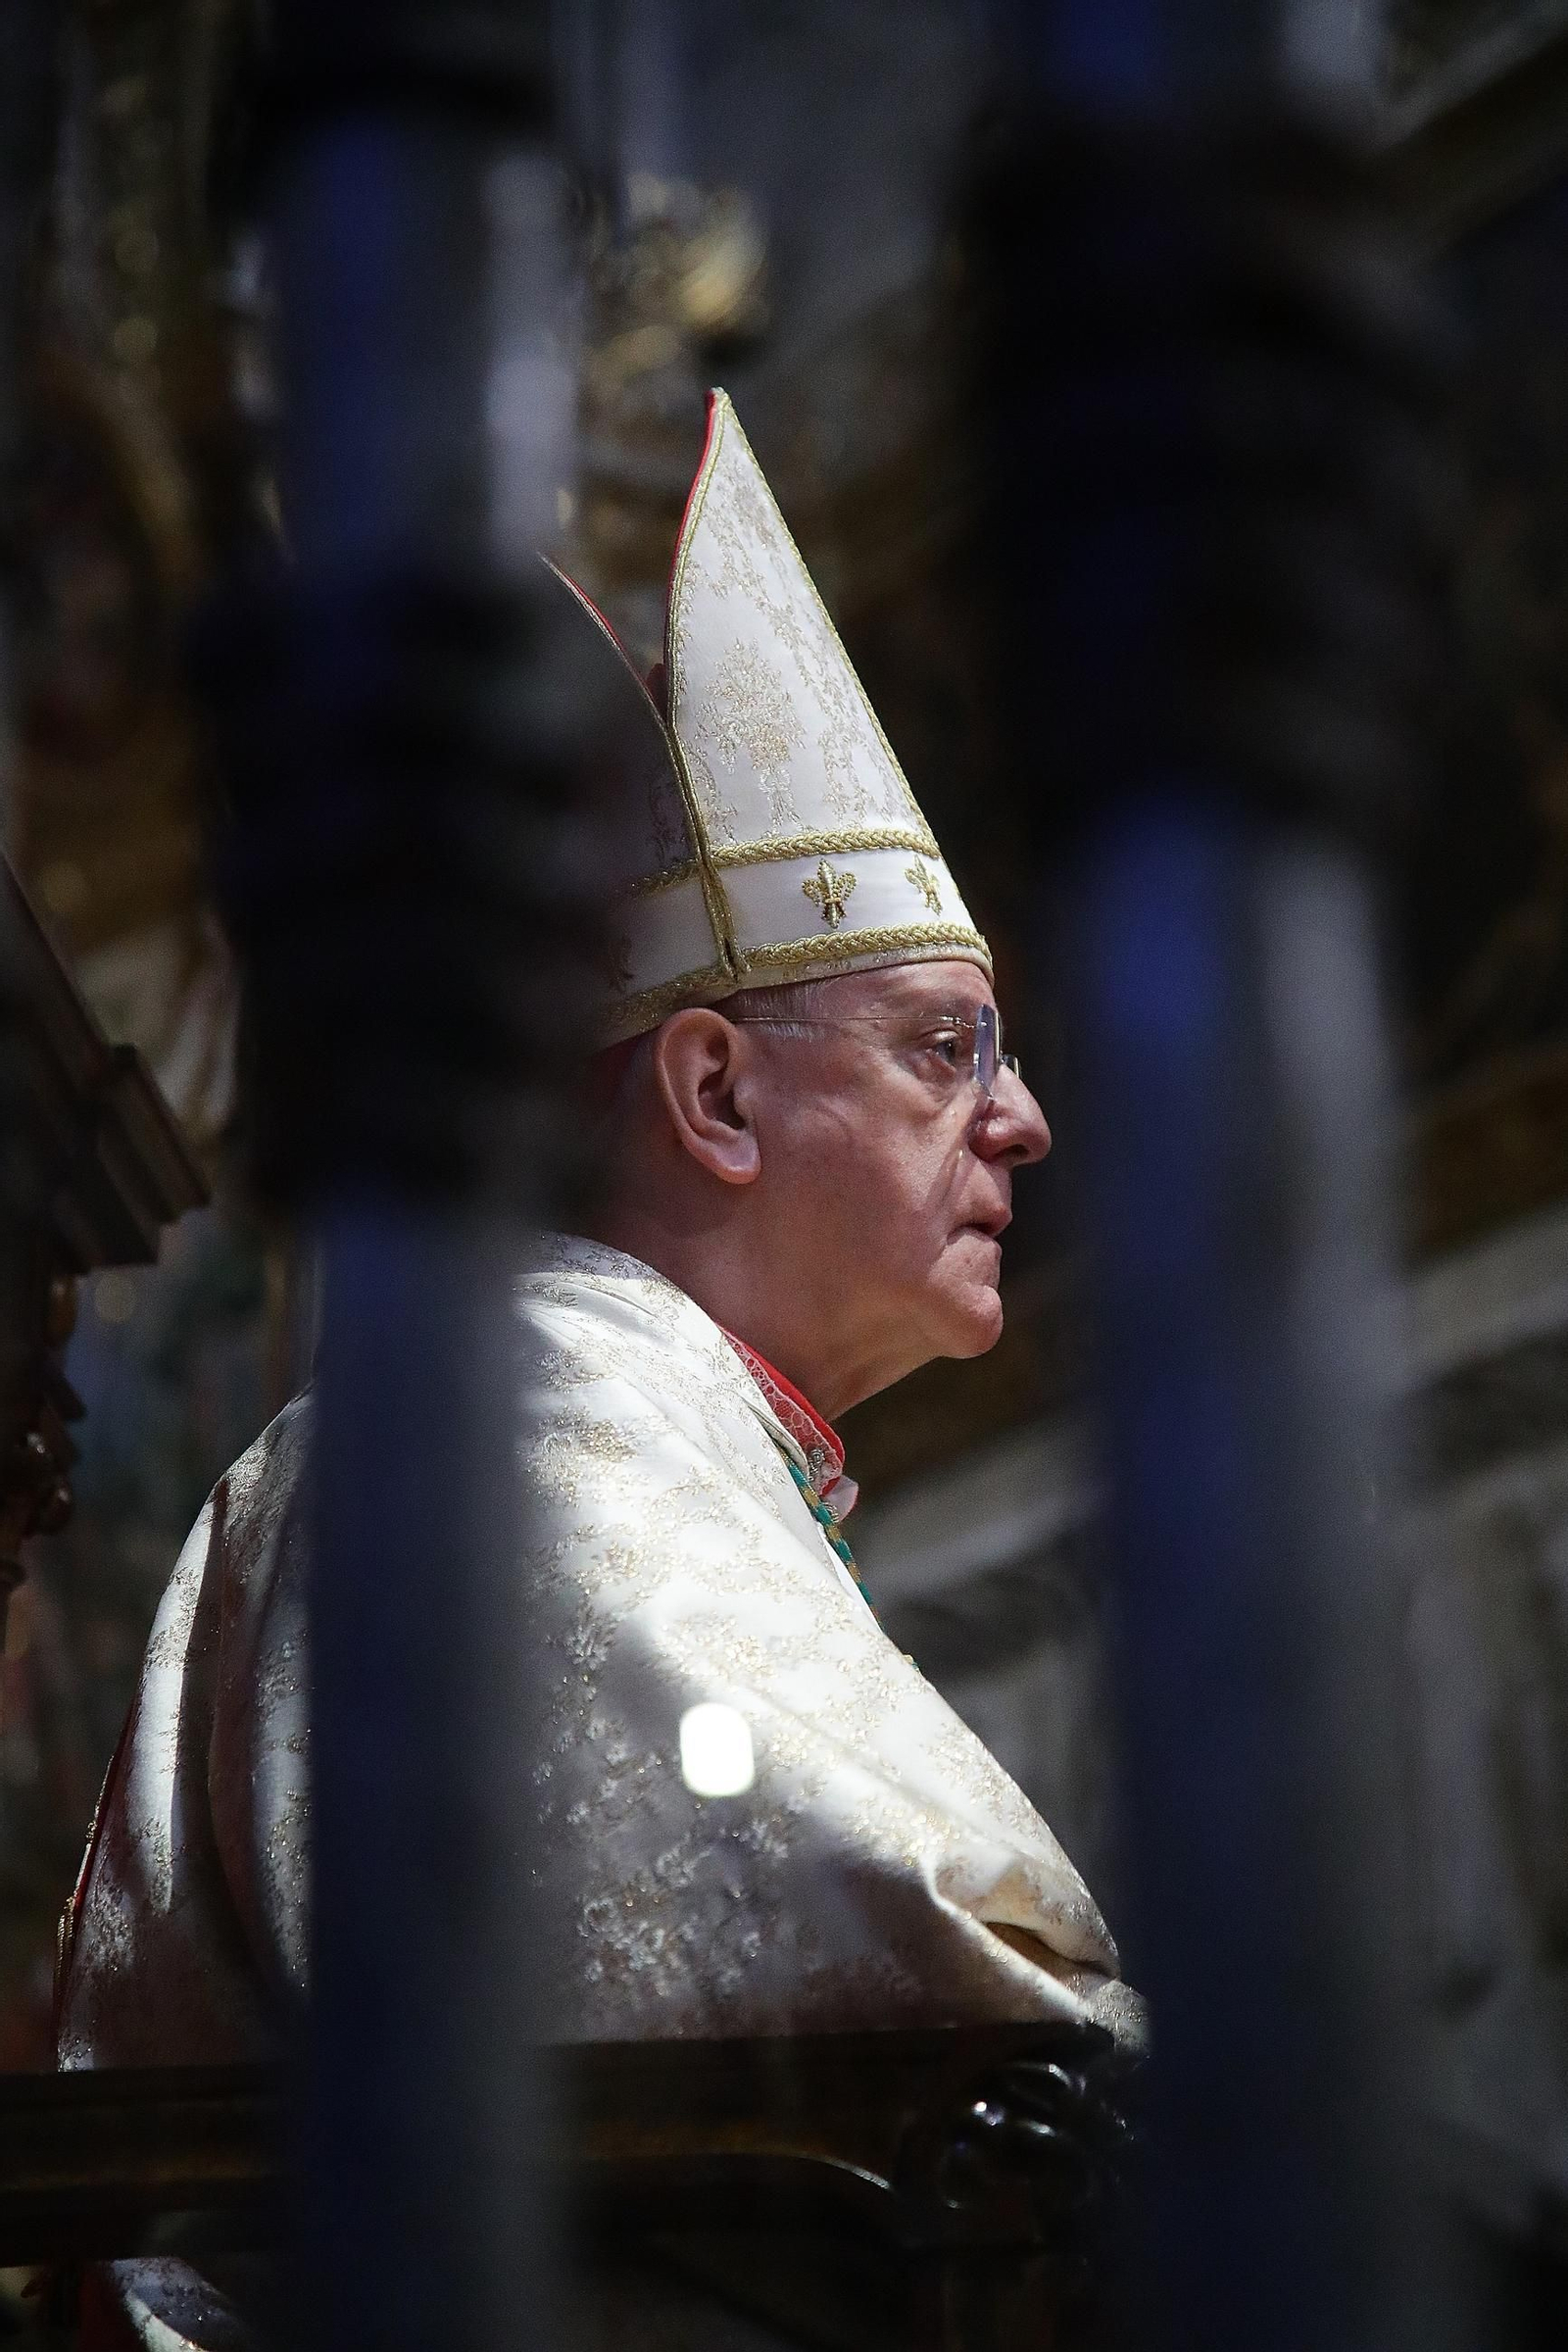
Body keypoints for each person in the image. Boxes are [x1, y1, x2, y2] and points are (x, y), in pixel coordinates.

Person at [56, 391, 1137, 2347]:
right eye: (942, 1045)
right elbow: (918, 1969)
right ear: (711, 1089)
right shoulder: (532, 1431)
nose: (1026, 1121)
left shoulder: (632, 1426)